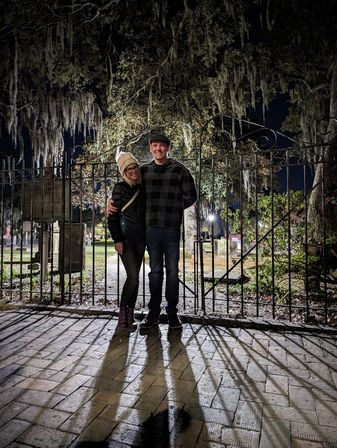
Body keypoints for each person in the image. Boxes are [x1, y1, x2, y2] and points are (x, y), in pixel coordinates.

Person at [108, 134, 197, 330]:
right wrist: (111, 202)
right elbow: (126, 187)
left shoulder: (180, 170)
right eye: (155, 146)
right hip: (151, 230)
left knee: (172, 272)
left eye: (162, 146)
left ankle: (172, 314)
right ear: (150, 148)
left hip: (172, 229)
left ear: (168, 148)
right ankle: (153, 314)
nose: (158, 149)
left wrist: (174, 207)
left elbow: (191, 196)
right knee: (155, 272)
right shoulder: (144, 171)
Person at [108, 151, 145, 329]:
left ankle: (130, 315)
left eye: (135, 167)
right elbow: (112, 217)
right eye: (128, 169)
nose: (133, 171)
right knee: (132, 276)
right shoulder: (119, 188)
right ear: (123, 173)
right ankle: (122, 314)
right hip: (126, 240)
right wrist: (117, 239)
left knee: (136, 277)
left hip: (140, 240)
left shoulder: (142, 187)